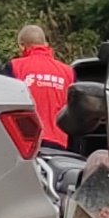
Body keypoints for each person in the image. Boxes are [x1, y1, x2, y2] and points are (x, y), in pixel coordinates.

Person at [7, 24, 72, 154]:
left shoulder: (14, 67)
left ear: (21, 46)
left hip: (23, 143)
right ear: (46, 44)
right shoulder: (69, 72)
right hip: (58, 144)